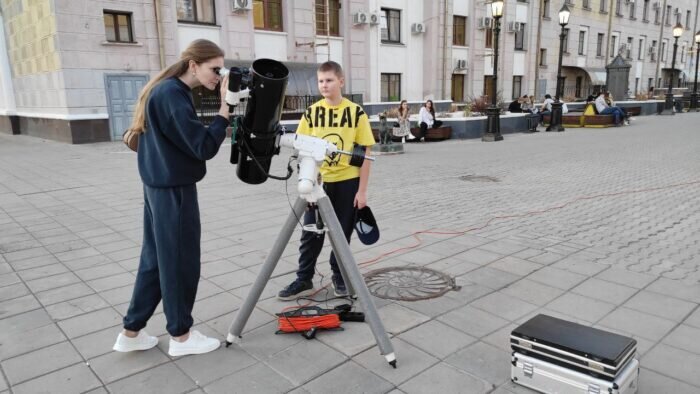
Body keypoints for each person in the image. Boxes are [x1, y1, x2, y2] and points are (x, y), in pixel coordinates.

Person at [112, 39, 228, 357]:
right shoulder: (172, 94)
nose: (219, 75)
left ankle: (131, 331)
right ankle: (181, 336)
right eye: (214, 69)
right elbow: (203, 147)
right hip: (174, 191)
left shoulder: (165, 91)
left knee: (155, 262)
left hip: (158, 189)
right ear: (193, 65)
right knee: (179, 262)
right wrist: (224, 112)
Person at [277, 61, 375, 300]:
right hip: (318, 183)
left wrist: (362, 192)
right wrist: (307, 180)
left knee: (342, 234)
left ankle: (339, 276)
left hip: (347, 182)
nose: (324, 85)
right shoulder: (312, 112)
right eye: (320, 81)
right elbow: (302, 148)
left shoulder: (356, 113)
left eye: (329, 80)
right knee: (311, 232)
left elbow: (366, 155)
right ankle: (304, 278)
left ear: (341, 81)